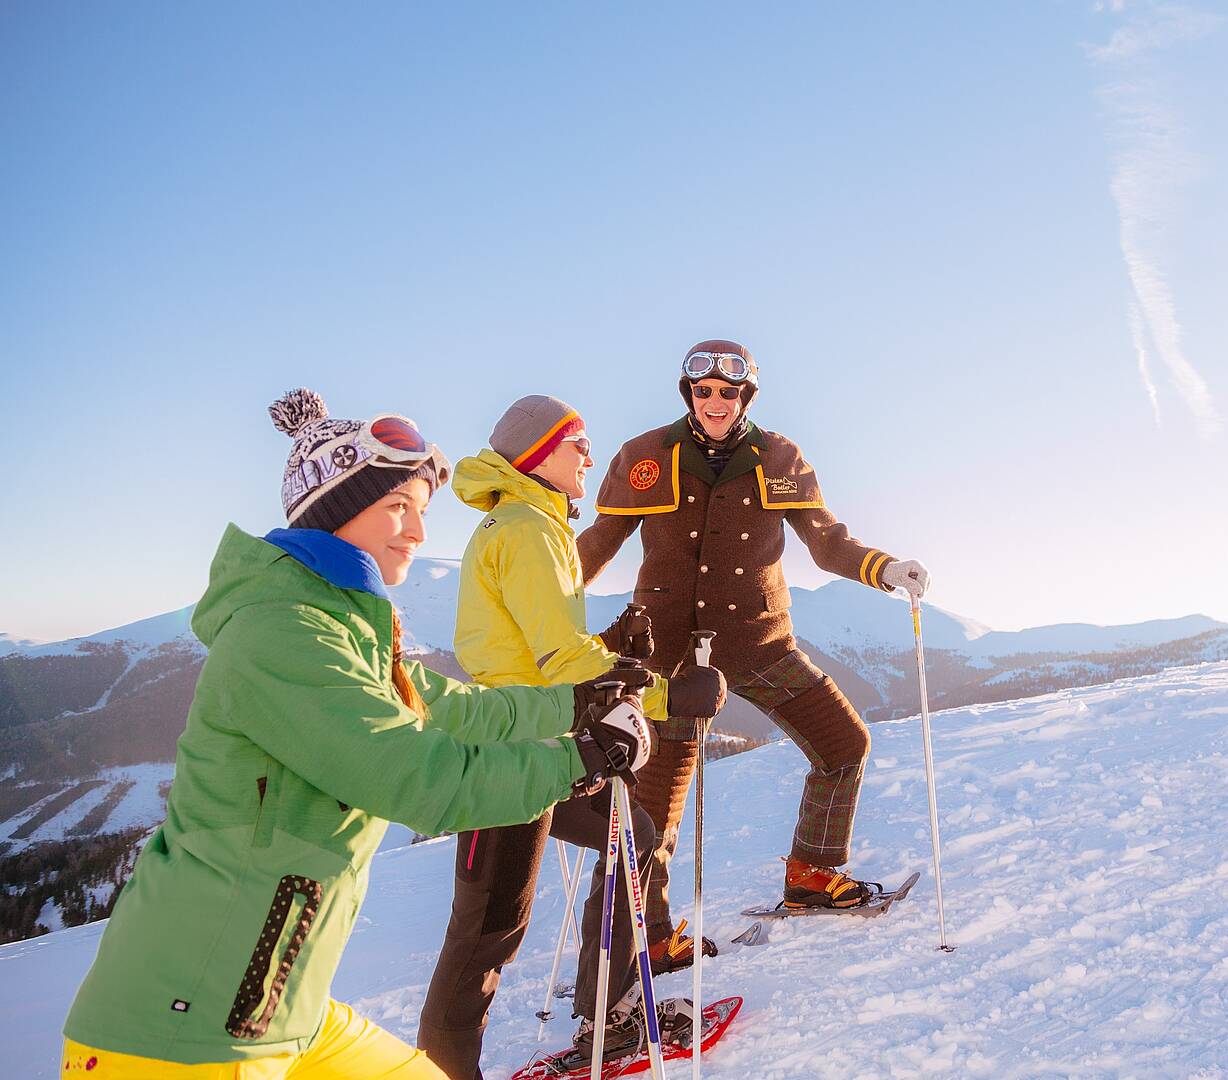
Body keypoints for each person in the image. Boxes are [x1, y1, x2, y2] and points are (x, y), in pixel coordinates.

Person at [58, 389, 720, 1079]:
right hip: (180, 1031)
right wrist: (583, 753)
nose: (417, 532)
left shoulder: (346, 628)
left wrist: (581, 704)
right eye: (396, 507)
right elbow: (420, 777)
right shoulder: (284, 633)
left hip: (281, 1011)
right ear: (337, 510)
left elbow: (459, 708)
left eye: (421, 510)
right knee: (487, 933)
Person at [577, 339, 928, 967]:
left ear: (746, 395)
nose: (716, 400)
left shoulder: (779, 457)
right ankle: (650, 935)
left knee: (843, 743)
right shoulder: (645, 455)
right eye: (704, 390)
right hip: (667, 654)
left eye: (728, 391)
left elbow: (827, 543)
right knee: (657, 798)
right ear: (689, 394)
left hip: (759, 639)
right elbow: (601, 541)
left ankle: (812, 875)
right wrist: (531, 592)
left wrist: (885, 569)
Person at [417, 395, 673, 1076]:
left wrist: (620, 651)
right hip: (505, 754)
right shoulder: (529, 527)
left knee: (632, 837)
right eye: (576, 440)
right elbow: (561, 659)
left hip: (540, 746)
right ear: (537, 454)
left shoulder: (535, 523)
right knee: (485, 930)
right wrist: (670, 694)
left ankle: (609, 1008)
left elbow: (549, 647)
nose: (589, 452)